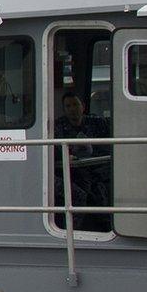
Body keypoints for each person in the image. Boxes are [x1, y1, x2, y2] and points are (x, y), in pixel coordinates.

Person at [53, 91, 110, 230]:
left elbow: (108, 148)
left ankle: (105, 228)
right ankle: (72, 232)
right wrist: (65, 156)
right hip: (70, 173)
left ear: (83, 106)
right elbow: (54, 152)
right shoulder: (57, 127)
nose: (72, 109)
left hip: (96, 170)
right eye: (68, 106)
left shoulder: (97, 123)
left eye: (75, 104)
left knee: (101, 191)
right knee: (78, 195)